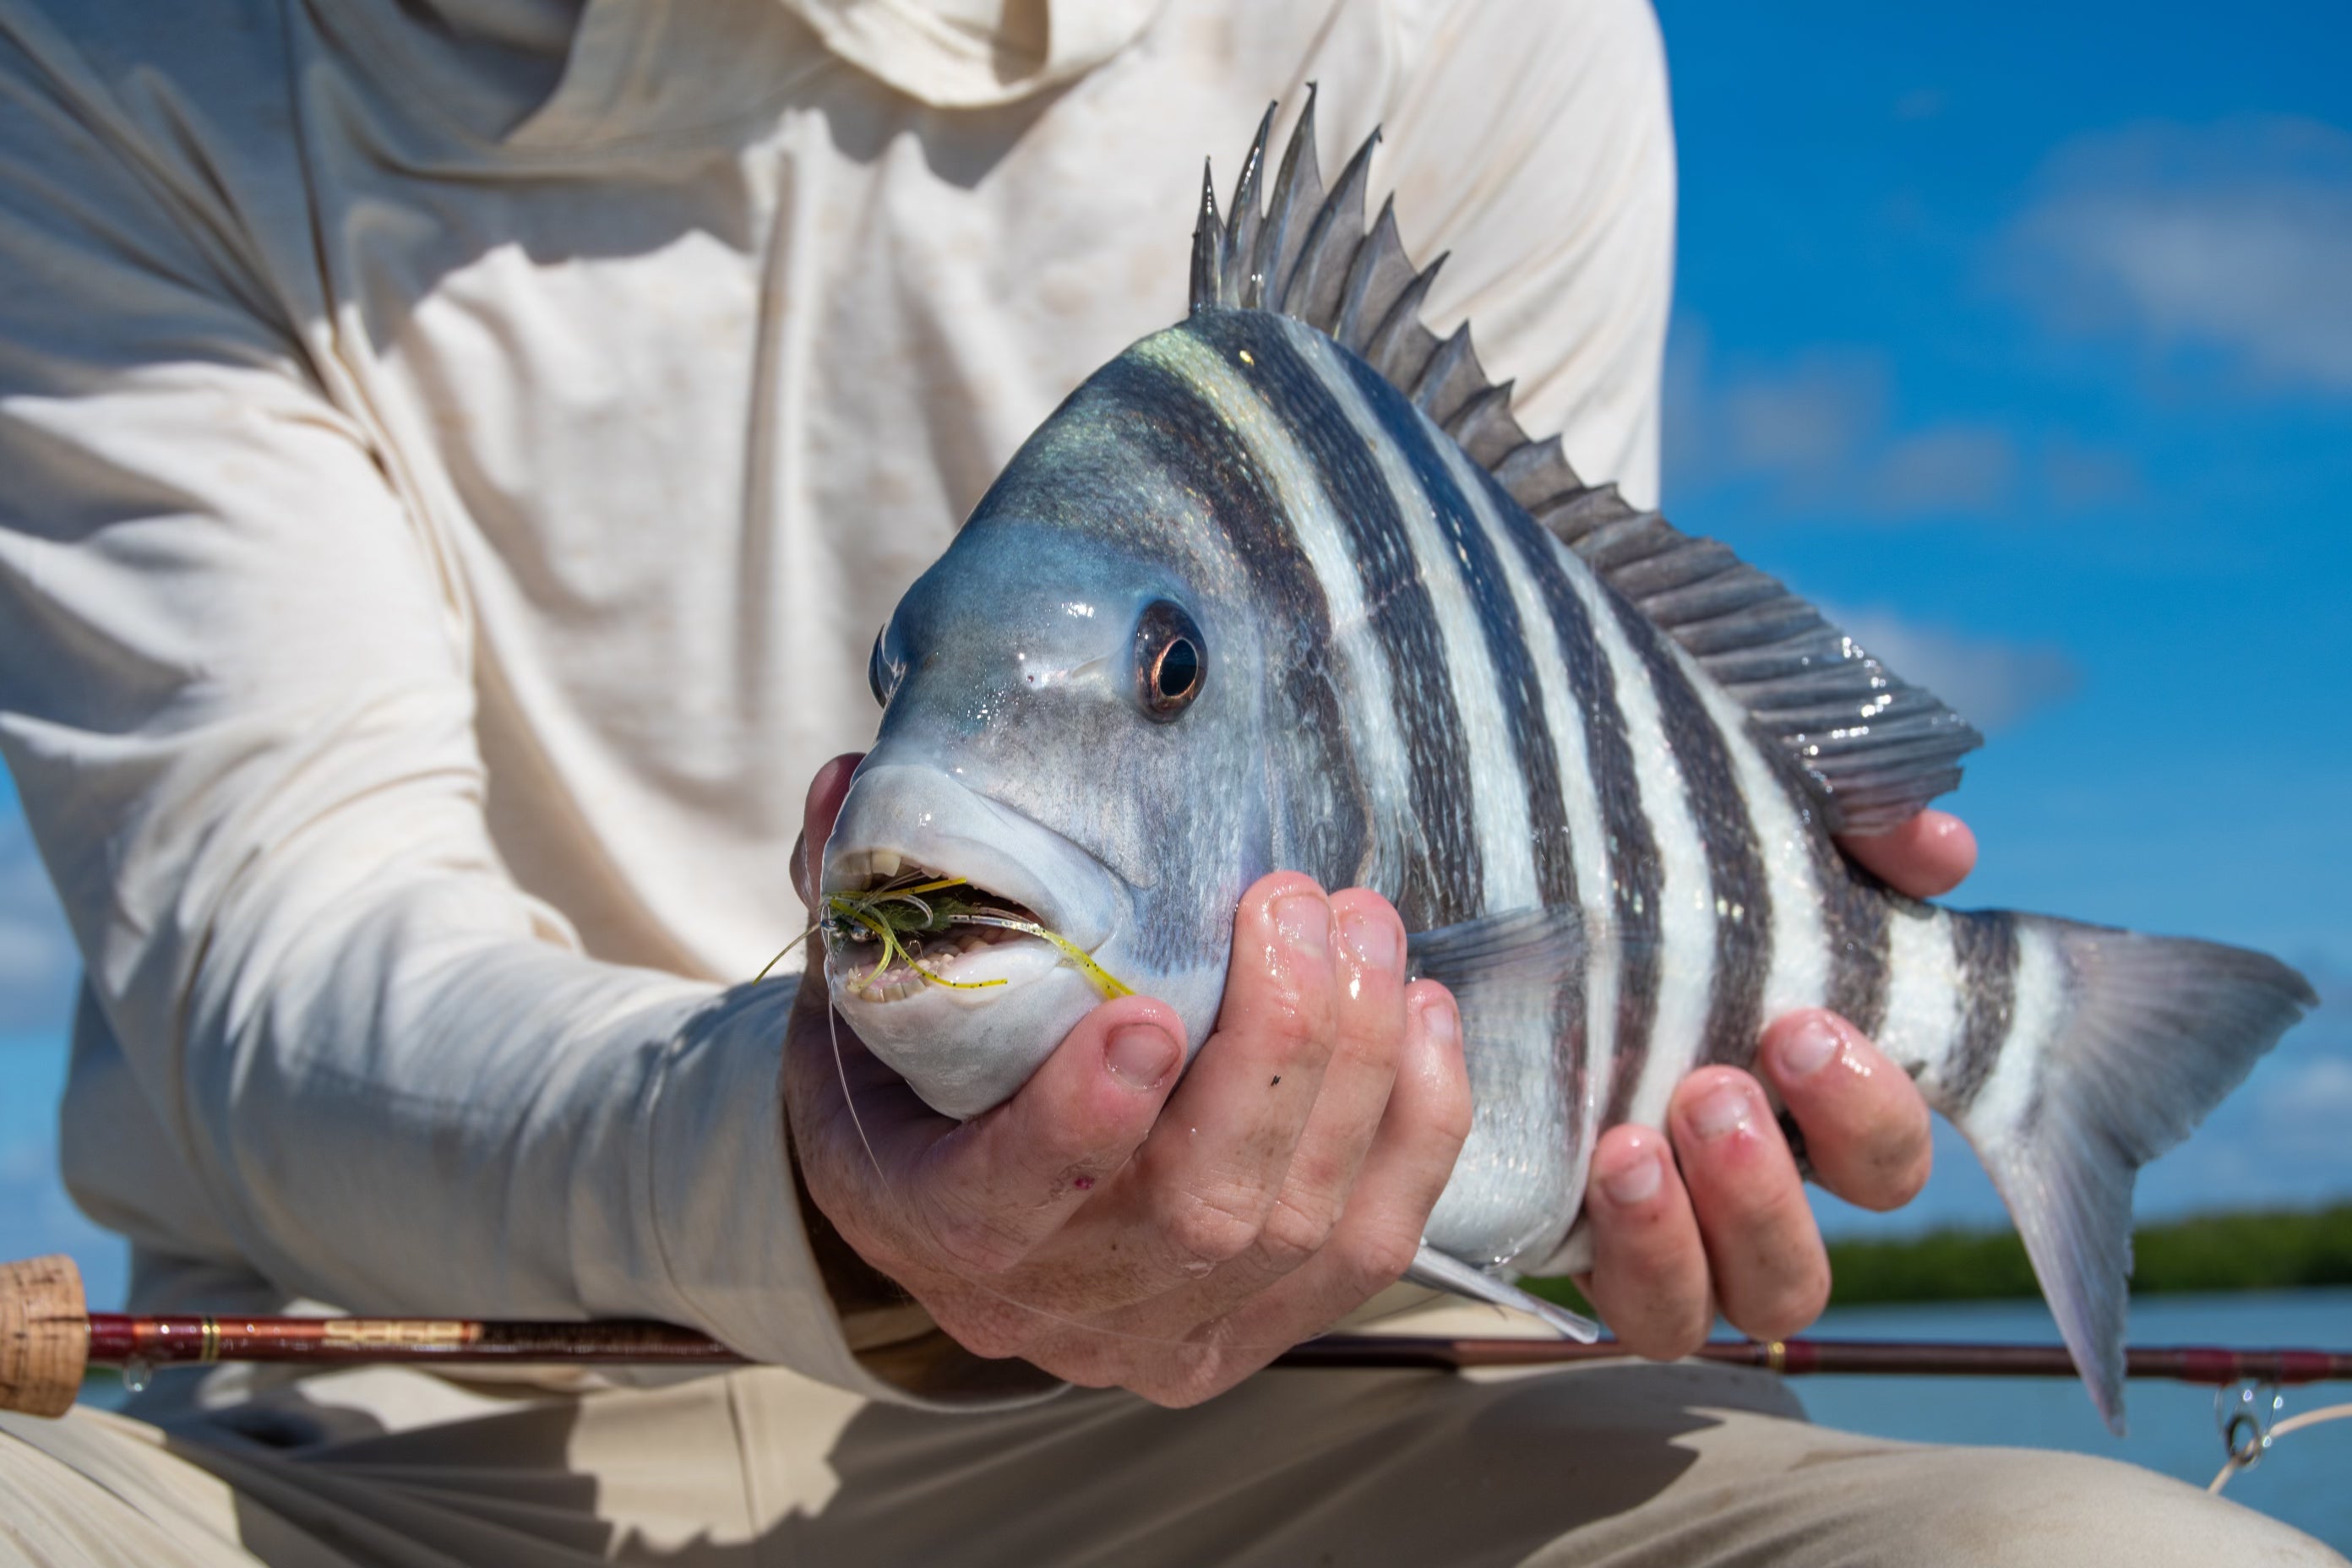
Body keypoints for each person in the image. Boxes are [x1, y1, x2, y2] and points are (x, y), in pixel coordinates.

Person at [0, 1, 2333, 1562]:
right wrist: (821, 1171)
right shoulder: (111, 65)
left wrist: (1654, 1071)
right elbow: (270, 951)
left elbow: (1542, 756)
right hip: (391, 1438)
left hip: (1322, 1403)